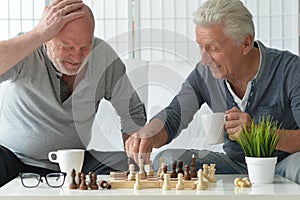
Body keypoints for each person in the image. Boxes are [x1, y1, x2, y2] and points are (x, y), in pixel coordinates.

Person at [125, 0, 300, 184]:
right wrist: (149, 134)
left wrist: (258, 133)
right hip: (235, 165)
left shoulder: (290, 70)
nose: (204, 59)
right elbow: (175, 114)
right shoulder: (205, 74)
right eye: (201, 47)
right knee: (168, 160)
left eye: (214, 48)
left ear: (246, 43)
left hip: (283, 164)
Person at [0, 0, 146, 187]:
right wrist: (37, 34)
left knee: (122, 164)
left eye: (85, 47)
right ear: (48, 38)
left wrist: (136, 153)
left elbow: (131, 111)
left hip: (75, 164)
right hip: (13, 159)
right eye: (68, 47)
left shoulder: (103, 57)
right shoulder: (26, 49)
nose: (77, 58)